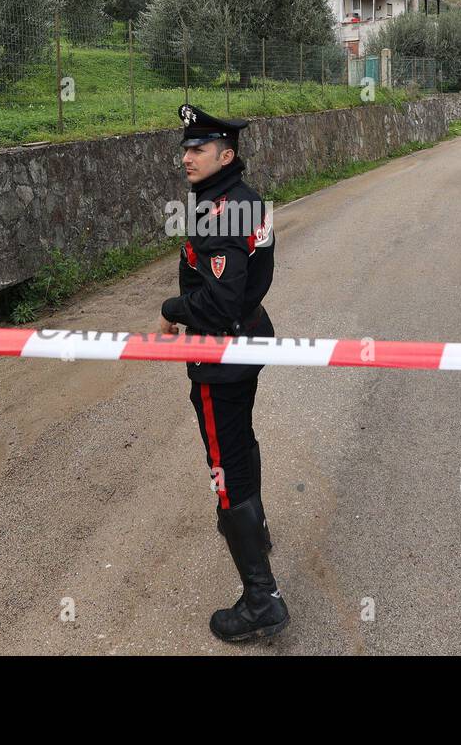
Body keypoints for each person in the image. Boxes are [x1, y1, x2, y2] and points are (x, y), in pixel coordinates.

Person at [159, 103, 288, 642]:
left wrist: (173, 309)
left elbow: (221, 300)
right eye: (186, 147)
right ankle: (252, 528)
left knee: (224, 459)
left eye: (199, 149)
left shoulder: (222, 209)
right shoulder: (239, 198)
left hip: (221, 353)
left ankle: (262, 600)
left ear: (226, 154)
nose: (187, 156)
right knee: (240, 440)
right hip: (246, 341)